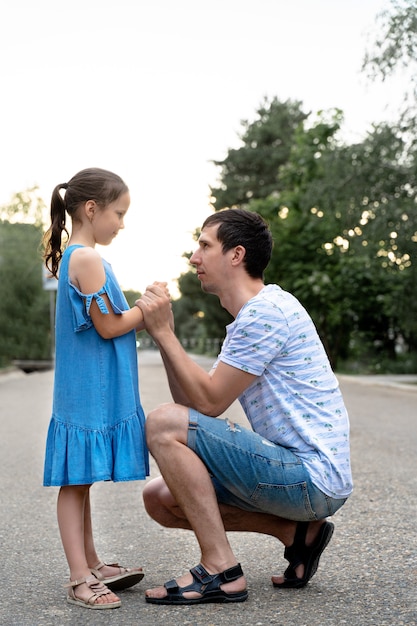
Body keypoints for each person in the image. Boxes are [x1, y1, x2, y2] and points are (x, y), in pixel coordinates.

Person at [136, 208, 353, 605]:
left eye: (204, 246)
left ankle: (221, 569)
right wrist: (161, 336)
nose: (194, 258)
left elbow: (208, 403)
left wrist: (164, 332)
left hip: (311, 475)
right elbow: (192, 404)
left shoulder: (265, 314)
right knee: (161, 499)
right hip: (301, 476)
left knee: (162, 423)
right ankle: (297, 534)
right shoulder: (252, 316)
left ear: (236, 255)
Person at [42, 168, 167, 610]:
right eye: (119, 212)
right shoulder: (88, 259)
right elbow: (109, 325)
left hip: (87, 387)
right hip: (86, 389)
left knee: (81, 481)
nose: (121, 222)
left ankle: (92, 563)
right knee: (75, 484)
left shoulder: (82, 256)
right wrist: (148, 308)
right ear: (92, 209)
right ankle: (80, 578)